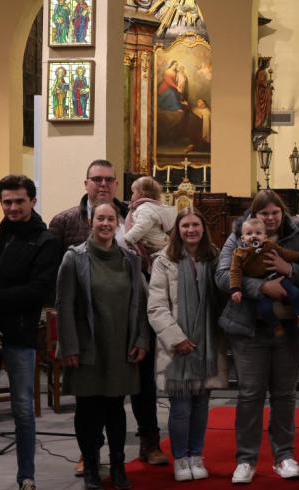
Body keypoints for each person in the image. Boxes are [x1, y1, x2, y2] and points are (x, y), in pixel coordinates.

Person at [50, 161, 165, 469]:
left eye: (108, 180)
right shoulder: (65, 221)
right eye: (96, 179)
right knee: (91, 397)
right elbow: (59, 287)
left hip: (131, 314)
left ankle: (148, 441)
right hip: (88, 325)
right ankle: (89, 453)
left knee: (141, 386)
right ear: (86, 182)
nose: (102, 184)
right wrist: (67, 340)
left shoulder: (136, 214)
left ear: (117, 184)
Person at [214, 190, 299, 484]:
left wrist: (289, 270)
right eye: (264, 214)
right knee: (250, 395)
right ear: (253, 216)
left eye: (275, 213)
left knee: (285, 395)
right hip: (250, 330)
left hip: (290, 328)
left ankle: (284, 456)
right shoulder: (239, 236)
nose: (270, 219)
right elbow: (222, 275)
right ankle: (246, 460)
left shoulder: (296, 236)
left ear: (282, 213)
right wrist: (261, 287)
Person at [0, 176, 62, 490]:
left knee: (22, 409)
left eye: (19, 201)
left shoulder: (46, 241)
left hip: (20, 335)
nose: (12, 207)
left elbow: (37, 292)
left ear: (32, 201)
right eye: (6, 202)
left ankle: (27, 477)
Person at [56, 202, 151, 490]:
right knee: (88, 410)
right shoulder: (74, 258)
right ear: (91, 222)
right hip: (87, 348)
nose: (106, 223)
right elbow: (65, 305)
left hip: (120, 346)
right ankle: (91, 469)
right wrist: (69, 347)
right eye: (100, 218)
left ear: (118, 223)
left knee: (115, 410)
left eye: (111, 219)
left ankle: (119, 466)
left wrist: (141, 340)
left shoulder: (129, 259)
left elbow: (141, 306)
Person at [147, 208, 229, 482]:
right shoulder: (164, 261)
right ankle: (181, 458)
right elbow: (157, 306)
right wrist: (177, 338)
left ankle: (196, 455)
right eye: (185, 226)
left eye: (195, 225)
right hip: (177, 346)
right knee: (181, 408)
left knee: (201, 405)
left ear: (203, 228)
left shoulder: (216, 258)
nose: (191, 230)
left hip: (206, 343)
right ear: (177, 231)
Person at [226, 217, 299, 332]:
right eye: (249, 234)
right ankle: (275, 325)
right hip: (260, 283)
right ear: (243, 239)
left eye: (258, 233)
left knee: (295, 292)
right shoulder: (239, 254)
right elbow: (235, 271)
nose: (253, 236)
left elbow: (285, 253)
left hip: (276, 276)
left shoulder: (269, 245)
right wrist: (235, 289)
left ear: (264, 236)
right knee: (264, 308)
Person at [125, 176, 177, 273]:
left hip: (154, 245)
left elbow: (141, 227)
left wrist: (127, 238)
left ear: (141, 194)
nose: (131, 195)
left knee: (155, 267)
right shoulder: (152, 207)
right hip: (158, 242)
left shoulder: (146, 209)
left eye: (133, 192)